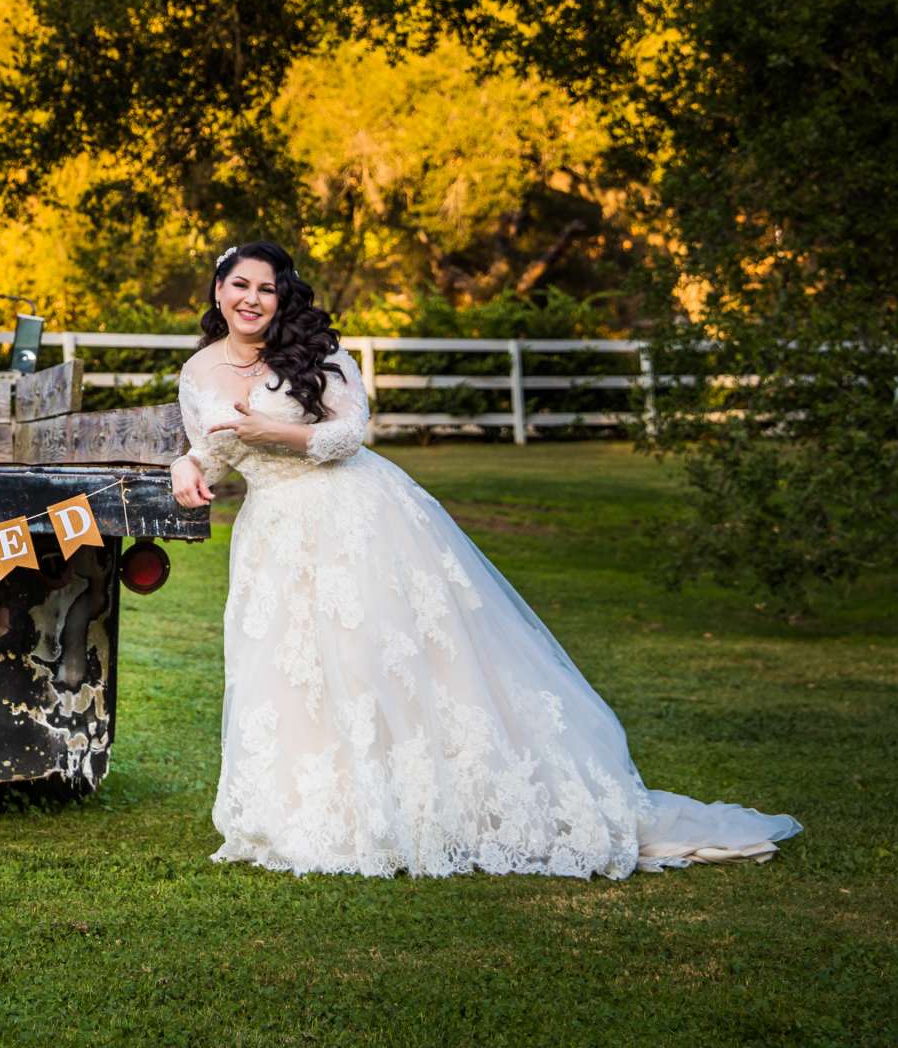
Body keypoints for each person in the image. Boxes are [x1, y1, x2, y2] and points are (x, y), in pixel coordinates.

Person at [168, 241, 800, 879]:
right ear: (218, 290)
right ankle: (324, 813)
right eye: (240, 285)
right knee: (296, 669)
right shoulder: (198, 374)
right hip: (275, 533)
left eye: (267, 288)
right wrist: (186, 463)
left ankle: (432, 801)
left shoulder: (318, 354)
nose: (252, 299)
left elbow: (349, 434)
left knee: (383, 660)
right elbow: (215, 451)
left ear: (283, 296)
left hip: (358, 517)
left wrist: (279, 433)